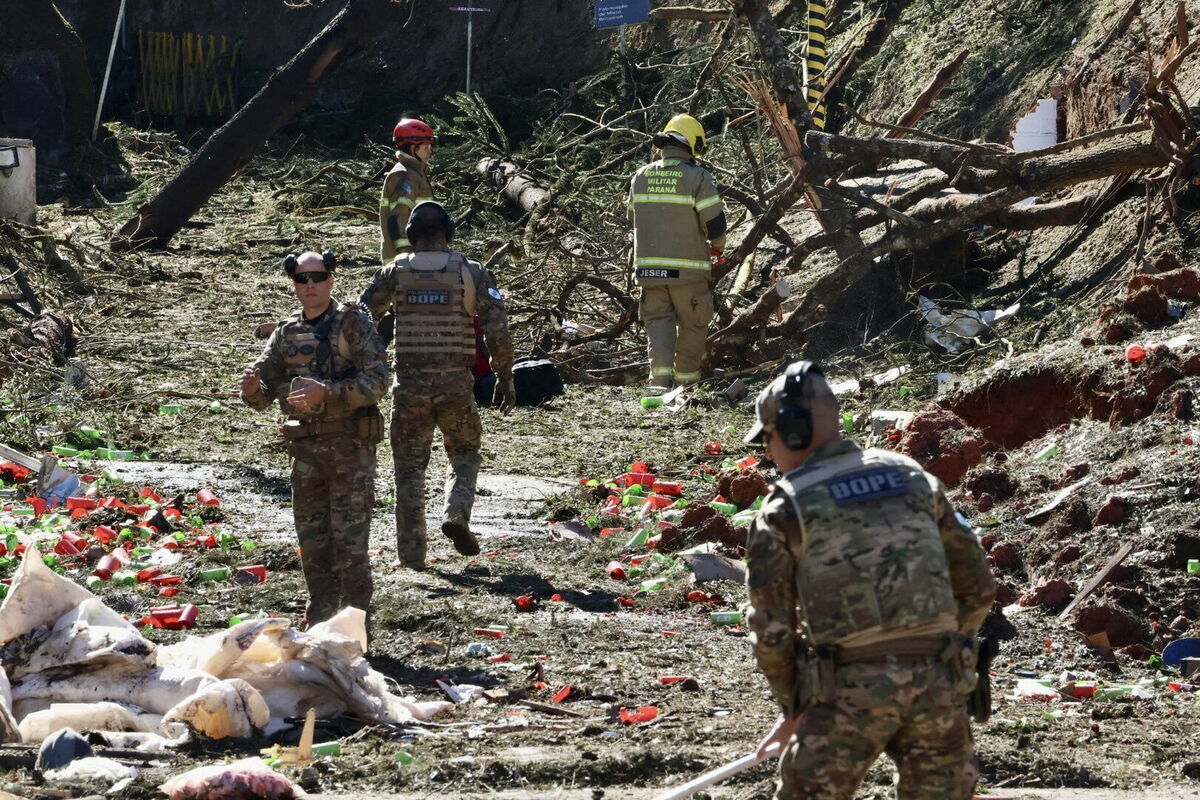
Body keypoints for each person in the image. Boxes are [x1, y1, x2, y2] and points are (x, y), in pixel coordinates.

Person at [743, 361, 998, 800]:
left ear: (793, 430)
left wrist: (794, 707)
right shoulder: (914, 477)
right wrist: (943, 649)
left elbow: (772, 631)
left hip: (847, 692)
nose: (768, 453)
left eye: (767, 438)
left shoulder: (786, 507)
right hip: (937, 683)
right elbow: (978, 586)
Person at [359, 201, 516, 569]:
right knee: (464, 453)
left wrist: (367, 370)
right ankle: (457, 513)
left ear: (411, 235)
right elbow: (497, 328)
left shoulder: (394, 271)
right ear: (448, 232)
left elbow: (360, 318)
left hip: (409, 384)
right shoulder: (471, 271)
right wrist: (504, 376)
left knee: (409, 469)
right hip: (456, 385)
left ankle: (412, 556)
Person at [240, 251, 388, 625]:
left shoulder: (351, 324)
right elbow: (264, 393)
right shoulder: (287, 332)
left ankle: (355, 624)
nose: (310, 285)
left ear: (331, 280)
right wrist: (253, 389)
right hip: (305, 453)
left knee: (350, 544)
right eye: (302, 279)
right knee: (312, 542)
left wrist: (329, 393)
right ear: (293, 284)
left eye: (318, 277)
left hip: (350, 449)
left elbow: (379, 381)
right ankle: (321, 617)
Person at [626, 113, 728, 389]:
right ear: (692, 144)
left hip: (648, 271)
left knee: (657, 324)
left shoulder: (640, 176)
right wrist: (718, 247)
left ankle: (659, 383)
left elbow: (634, 219)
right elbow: (715, 222)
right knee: (693, 324)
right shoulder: (697, 177)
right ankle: (685, 385)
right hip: (687, 272)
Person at [380, 117, 436, 262]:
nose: (429, 152)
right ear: (413, 148)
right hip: (406, 262)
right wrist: (408, 254)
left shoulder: (415, 173)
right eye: (425, 148)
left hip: (416, 257)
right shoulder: (406, 175)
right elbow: (399, 217)